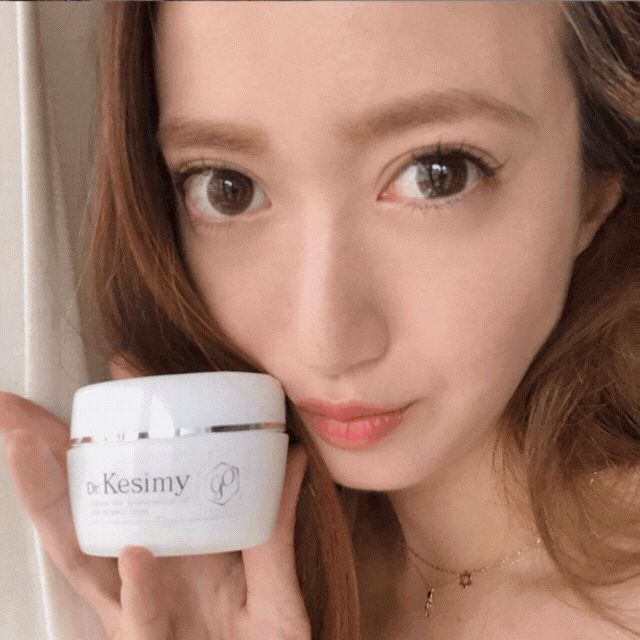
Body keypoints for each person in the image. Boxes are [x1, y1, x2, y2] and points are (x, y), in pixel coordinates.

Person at [1, 1, 640, 638]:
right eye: (228, 189)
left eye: (437, 175)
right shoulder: (213, 590)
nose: (325, 340)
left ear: (594, 185)